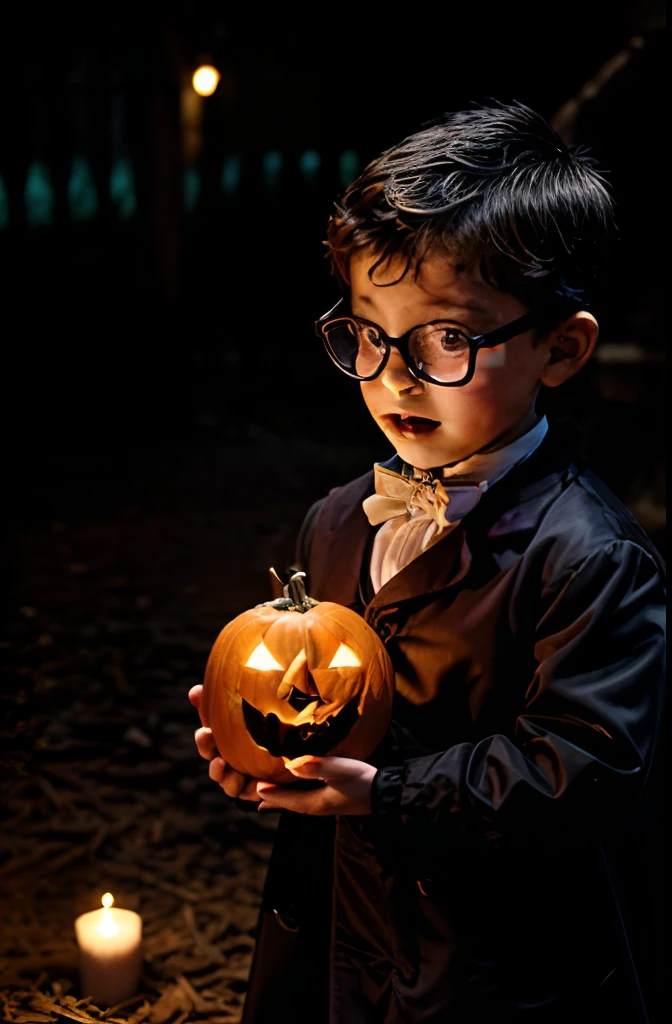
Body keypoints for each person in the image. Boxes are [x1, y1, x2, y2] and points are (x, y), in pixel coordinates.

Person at [189, 100, 665, 1023]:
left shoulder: (591, 556)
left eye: (448, 336)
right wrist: (272, 758)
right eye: (370, 331)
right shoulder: (335, 524)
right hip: (342, 943)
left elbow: (586, 768)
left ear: (560, 348)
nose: (396, 374)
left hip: (496, 967)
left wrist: (389, 794)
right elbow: (323, 697)